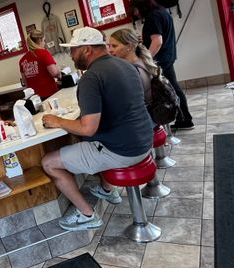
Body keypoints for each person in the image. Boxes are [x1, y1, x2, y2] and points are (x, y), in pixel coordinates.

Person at [40, 27, 154, 231]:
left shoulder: (91, 78)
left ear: (86, 50)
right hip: (145, 141)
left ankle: (87, 215)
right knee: (86, 142)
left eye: (73, 50)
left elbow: (88, 128)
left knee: (49, 163)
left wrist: (58, 120)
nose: (71, 55)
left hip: (123, 151)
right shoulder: (125, 65)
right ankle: (108, 189)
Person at [129, 0, 194, 129]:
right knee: (172, 88)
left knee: (170, 90)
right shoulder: (162, 12)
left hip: (161, 59)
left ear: (141, 7)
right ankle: (183, 118)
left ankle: (185, 119)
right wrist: (144, 39)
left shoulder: (153, 17)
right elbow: (157, 37)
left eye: (135, 10)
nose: (135, 14)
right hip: (168, 56)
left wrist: (146, 60)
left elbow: (157, 42)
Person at [108, 28, 159, 103]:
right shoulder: (142, 60)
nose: (110, 50)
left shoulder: (133, 70)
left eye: (114, 46)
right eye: (110, 46)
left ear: (129, 46)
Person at [18, 29, 60, 100]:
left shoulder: (22, 60)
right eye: (44, 40)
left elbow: (25, 82)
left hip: (34, 98)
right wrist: (59, 73)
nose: (44, 43)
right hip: (49, 94)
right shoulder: (44, 53)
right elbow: (54, 73)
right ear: (40, 40)